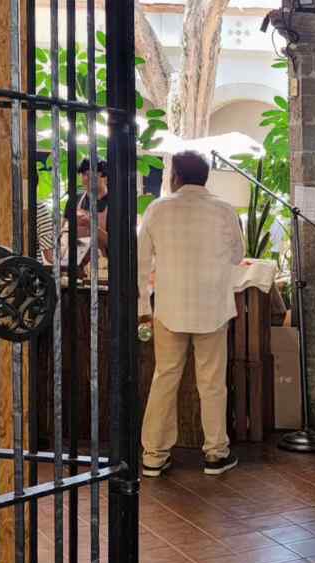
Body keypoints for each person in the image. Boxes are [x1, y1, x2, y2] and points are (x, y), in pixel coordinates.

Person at [138, 151, 245, 478]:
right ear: (206, 176)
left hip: (170, 307)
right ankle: (215, 453)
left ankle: (154, 455)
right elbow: (238, 256)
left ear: (175, 176)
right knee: (212, 383)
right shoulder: (225, 211)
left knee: (165, 378)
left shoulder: (157, 209)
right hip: (212, 308)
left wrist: (143, 309)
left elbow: (140, 264)